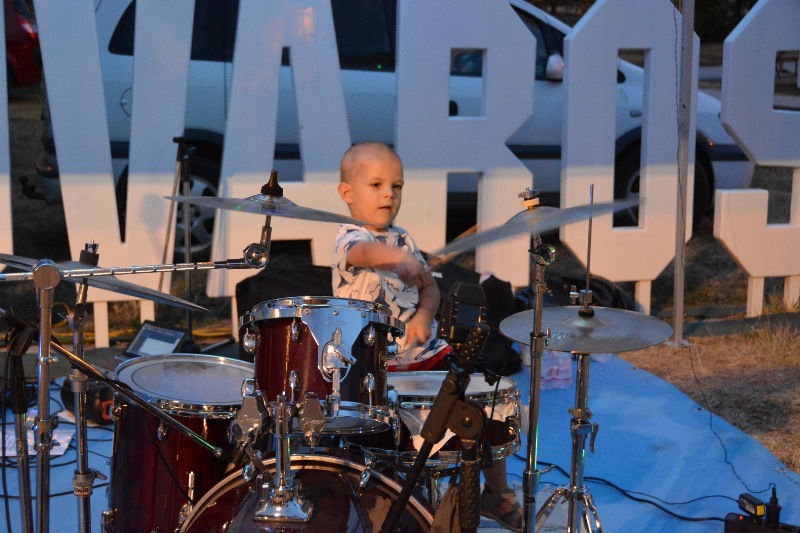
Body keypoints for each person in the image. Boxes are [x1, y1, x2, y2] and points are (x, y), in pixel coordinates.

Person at [331, 142, 522, 532]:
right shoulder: (348, 237)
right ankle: (393, 495)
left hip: (425, 354)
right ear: (347, 192)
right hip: (374, 365)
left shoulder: (403, 238)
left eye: (397, 186)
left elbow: (430, 288)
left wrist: (423, 315)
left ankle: (495, 491)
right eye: (376, 185)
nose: (389, 194)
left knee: (485, 398)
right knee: (392, 434)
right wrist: (399, 259)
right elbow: (365, 254)